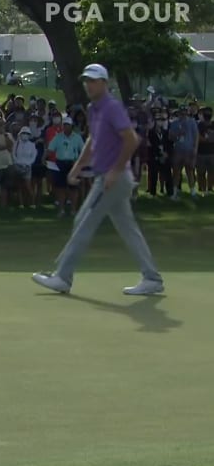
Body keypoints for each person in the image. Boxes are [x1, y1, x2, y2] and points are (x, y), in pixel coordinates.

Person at [32, 63, 163, 296]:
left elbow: (131, 140)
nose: (89, 85)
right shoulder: (94, 109)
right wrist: (79, 164)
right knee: (126, 228)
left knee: (83, 223)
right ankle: (152, 278)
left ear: (104, 83)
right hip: (108, 177)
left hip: (115, 178)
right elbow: (93, 139)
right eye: (86, 80)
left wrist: (115, 170)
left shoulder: (112, 107)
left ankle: (62, 277)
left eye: (93, 80)